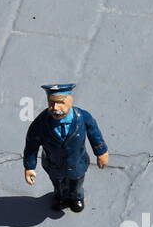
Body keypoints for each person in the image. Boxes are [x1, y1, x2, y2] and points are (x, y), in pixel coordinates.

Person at [22, 83, 109, 213]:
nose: (55, 108)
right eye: (51, 103)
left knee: (76, 183)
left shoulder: (83, 118)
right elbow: (31, 146)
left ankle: (76, 197)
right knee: (57, 183)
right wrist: (29, 166)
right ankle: (60, 197)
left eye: (60, 103)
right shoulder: (40, 123)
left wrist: (101, 152)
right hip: (53, 164)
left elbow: (94, 134)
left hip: (77, 162)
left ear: (70, 102)